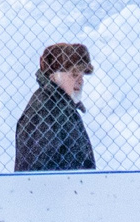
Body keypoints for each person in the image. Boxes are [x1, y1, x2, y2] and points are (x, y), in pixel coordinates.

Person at [14, 43, 95, 172]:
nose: (80, 81)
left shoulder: (65, 108)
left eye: (82, 75)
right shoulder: (45, 111)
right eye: (74, 74)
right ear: (53, 76)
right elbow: (37, 173)